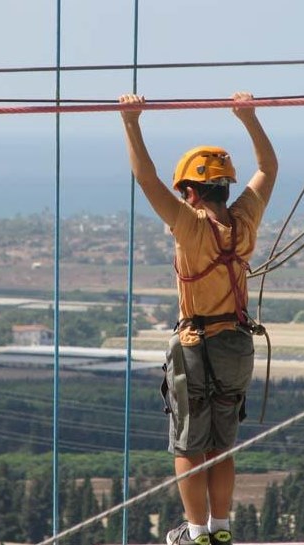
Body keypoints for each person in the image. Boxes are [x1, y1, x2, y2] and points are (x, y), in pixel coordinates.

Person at [119, 91, 278, 545]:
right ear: (226, 188)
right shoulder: (245, 220)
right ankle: (221, 529)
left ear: (190, 192)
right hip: (235, 343)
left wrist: (131, 122)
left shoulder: (189, 227)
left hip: (195, 345)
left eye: (184, 194)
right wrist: (248, 118)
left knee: (188, 445)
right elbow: (268, 168)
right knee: (221, 443)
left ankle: (195, 532)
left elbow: (145, 180)